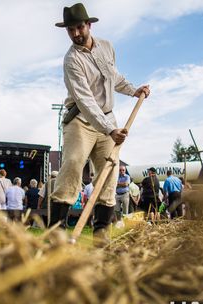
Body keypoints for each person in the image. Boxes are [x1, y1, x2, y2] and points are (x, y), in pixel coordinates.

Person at [50, 3, 150, 245]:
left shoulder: (106, 46)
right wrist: (109, 129)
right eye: (70, 30)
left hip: (108, 119)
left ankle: (101, 233)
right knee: (73, 163)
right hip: (81, 120)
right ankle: (58, 233)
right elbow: (85, 100)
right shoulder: (71, 61)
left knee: (110, 172)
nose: (75, 34)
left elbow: (113, 76)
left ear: (89, 25)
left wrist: (133, 90)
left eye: (79, 27)